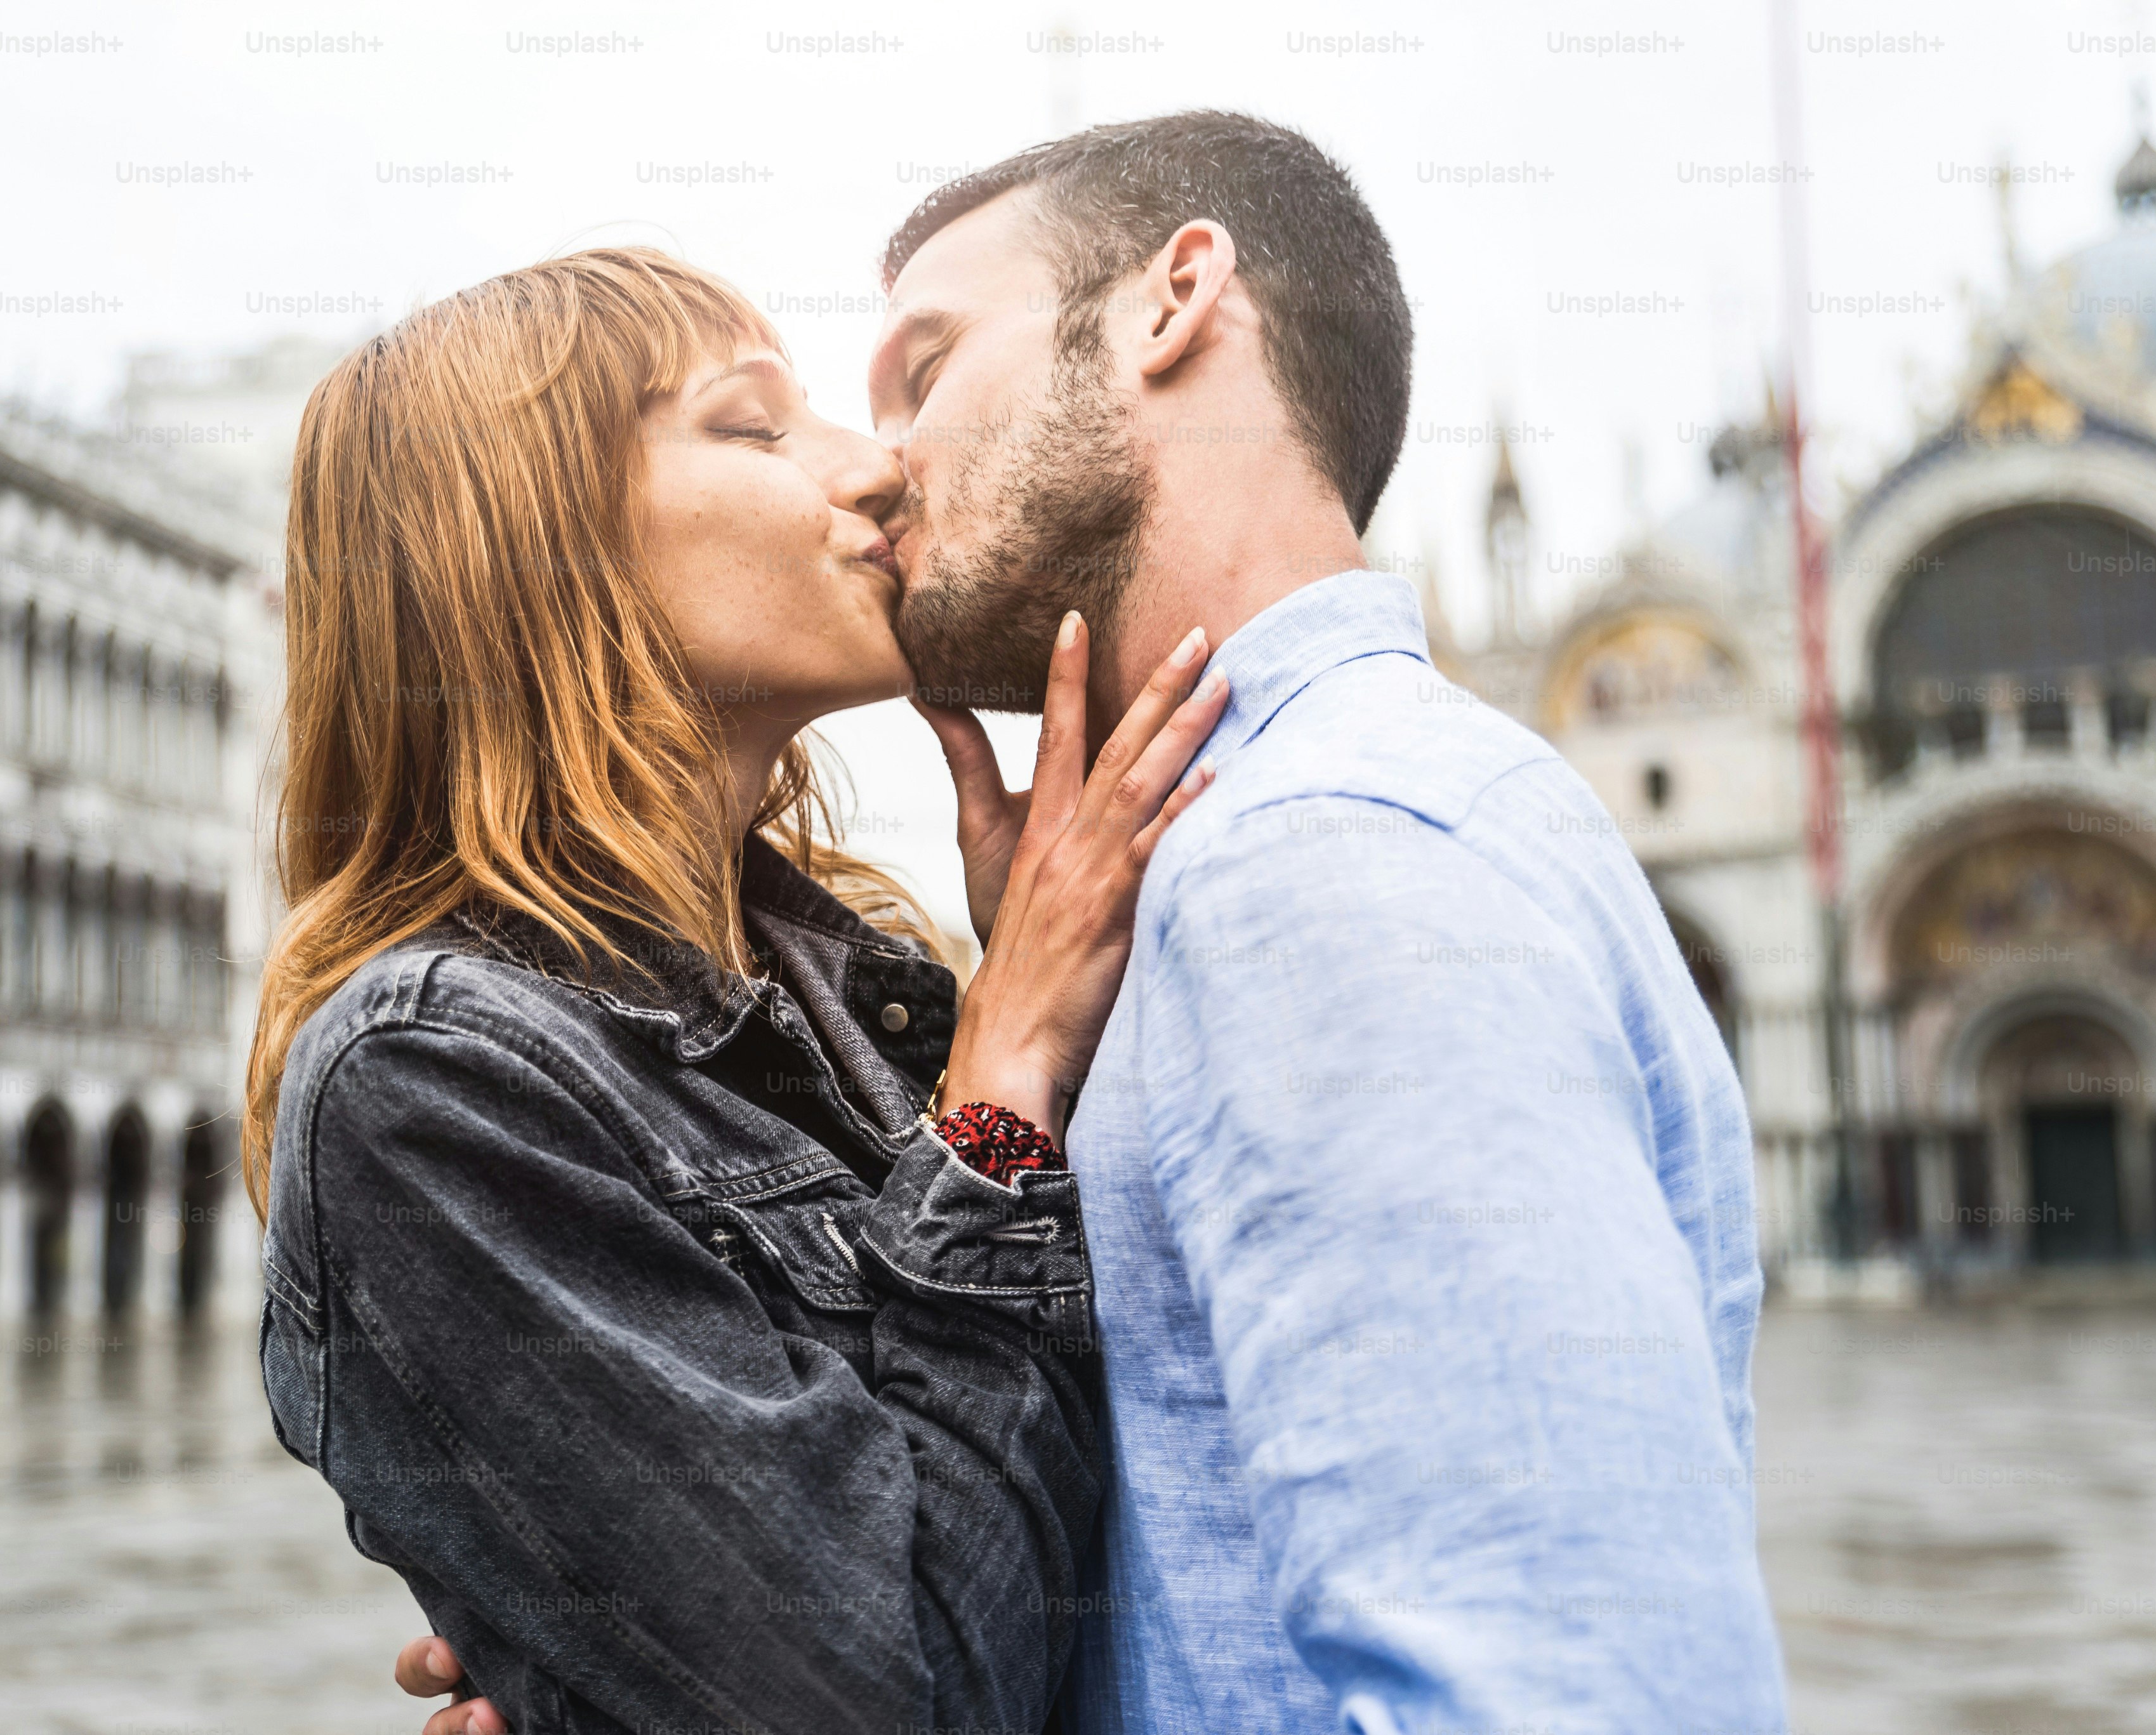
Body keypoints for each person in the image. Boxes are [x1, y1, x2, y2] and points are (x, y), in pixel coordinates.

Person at [403, 113, 1790, 1735]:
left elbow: (1567, 1696)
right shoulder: (1216, 874)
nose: (882, 462)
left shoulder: (1319, 861)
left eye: (923, 369)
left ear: (1170, 302)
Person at [253, 248, 1227, 1735]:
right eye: (759, 428)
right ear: (542, 546)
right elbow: (894, 1695)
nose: (881, 469)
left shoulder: (864, 994)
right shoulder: (426, 1079)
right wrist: (1008, 1069)